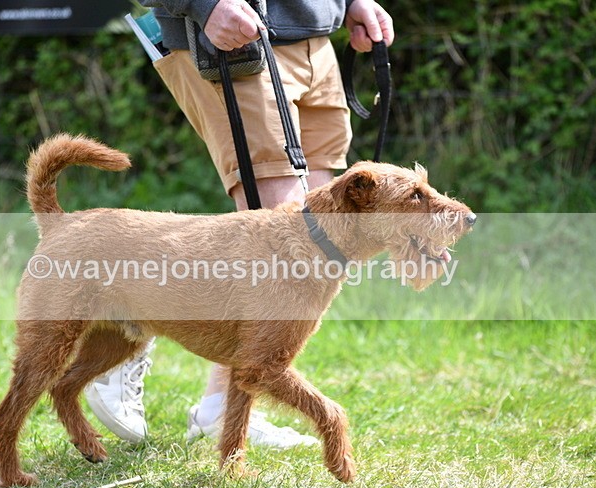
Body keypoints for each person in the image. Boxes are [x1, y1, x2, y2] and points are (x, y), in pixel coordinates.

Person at [84, 0, 395, 448]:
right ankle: (122, 326)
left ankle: (218, 406)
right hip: (234, 38)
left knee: (326, 238)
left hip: (317, 35)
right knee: (281, 237)